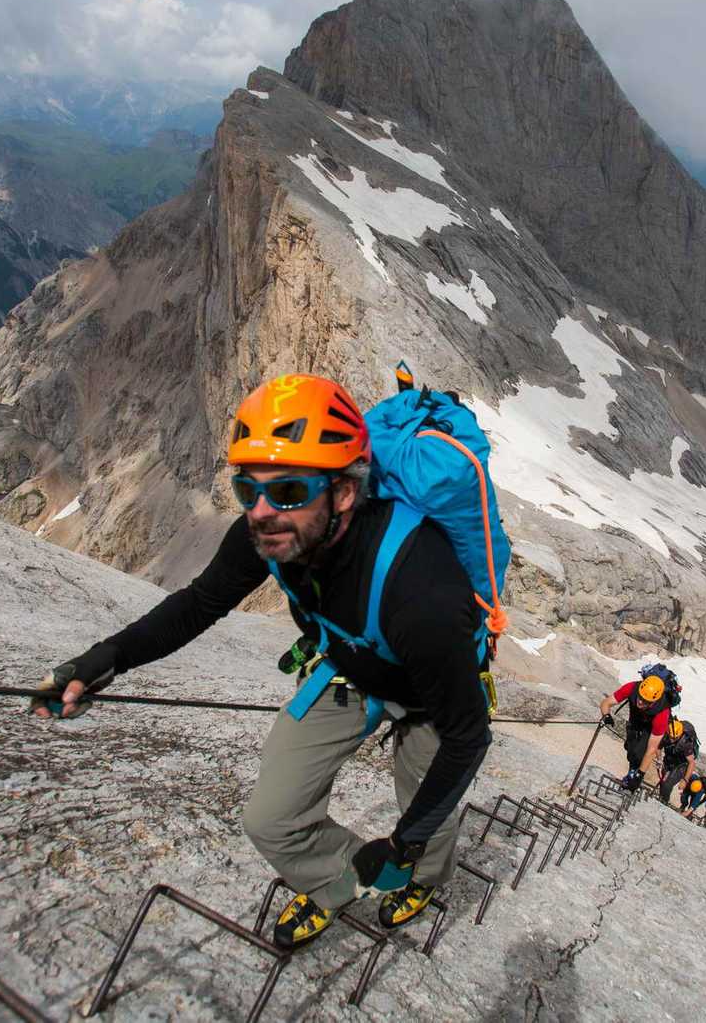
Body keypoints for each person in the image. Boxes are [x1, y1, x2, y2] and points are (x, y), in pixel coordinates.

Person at [30, 374, 491, 948]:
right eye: (250, 491)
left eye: (291, 493)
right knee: (271, 818)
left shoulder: (419, 587)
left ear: (345, 492)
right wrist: (106, 659)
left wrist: (405, 843)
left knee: (428, 808)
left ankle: (418, 880)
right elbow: (199, 604)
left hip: (430, 699)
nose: (264, 513)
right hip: (352, 671)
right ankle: (339, 882)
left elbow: (468, 736)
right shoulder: (271, 534)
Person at [597, 674, 672, 791]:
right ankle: (632, 771)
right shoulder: (631, 688)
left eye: (646, 701)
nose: (640, 702)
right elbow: (606, 703)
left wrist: (639, 776)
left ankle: (633, 775)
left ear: (654, 702)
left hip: (651, 728)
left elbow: (652, 750)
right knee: (630, 749)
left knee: (639, 753)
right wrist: (606, 715)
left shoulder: (662, 713)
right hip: (635, 721)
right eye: (640, 697)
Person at [656, 717, 699, 806]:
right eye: (670, 737)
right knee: (663, 781)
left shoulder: (686, 743)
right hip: (669, 759)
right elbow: (658, 747)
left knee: (667, 784)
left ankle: (663, 803)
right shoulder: (666, 735)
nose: (671, 740)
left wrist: (685, 780)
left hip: (682, 764)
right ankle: (662, 798)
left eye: (674, 738)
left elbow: (691, 762)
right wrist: (659, 760)